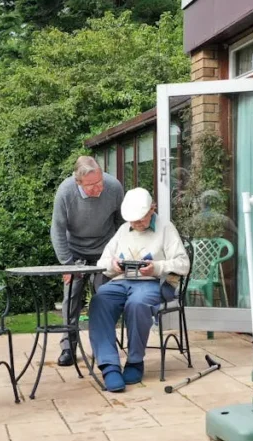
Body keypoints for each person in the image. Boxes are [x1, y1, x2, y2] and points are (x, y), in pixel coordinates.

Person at [88, 188, 190, 392]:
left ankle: (135, 361)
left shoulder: (165, 228)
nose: (136, 224)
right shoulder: (124, 230)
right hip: (121, 281)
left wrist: (157, 268)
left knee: (137, 303)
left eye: (140, 219)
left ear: (152, 209)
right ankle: (110, 367)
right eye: (132, 221)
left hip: (153, 283)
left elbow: (183, 264)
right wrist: (113, 265)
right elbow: (103, 261)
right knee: (99, 301)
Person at [50, 156, 124, 366]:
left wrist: (116, 254)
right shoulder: (66, 192)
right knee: (71, 298)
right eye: (91, 185)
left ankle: (104, 347)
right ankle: (68, 348)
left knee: (104, 299)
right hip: (75, 251)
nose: (98, 188)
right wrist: (68, 264)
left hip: (105, 250)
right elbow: (57, 230)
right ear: (78, 182)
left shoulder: (113, 187)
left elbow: (121, 223)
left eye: (99, 182)